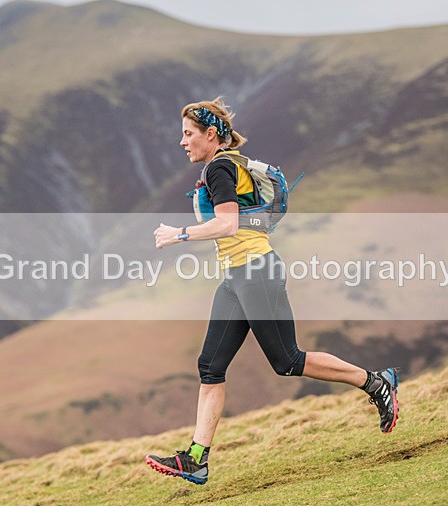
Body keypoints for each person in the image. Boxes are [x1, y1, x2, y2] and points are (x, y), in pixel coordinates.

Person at [146, 97, 399, 485]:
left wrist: (178, 235)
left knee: (287, 360)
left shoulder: (220, 168)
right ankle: (196, 458)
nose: (182, 142)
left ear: (211, 135)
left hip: (255, 271)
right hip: (236, 276)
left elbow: (228, 224)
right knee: (210, 366)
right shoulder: (225, 166)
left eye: (188, 134)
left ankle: (375, 382)